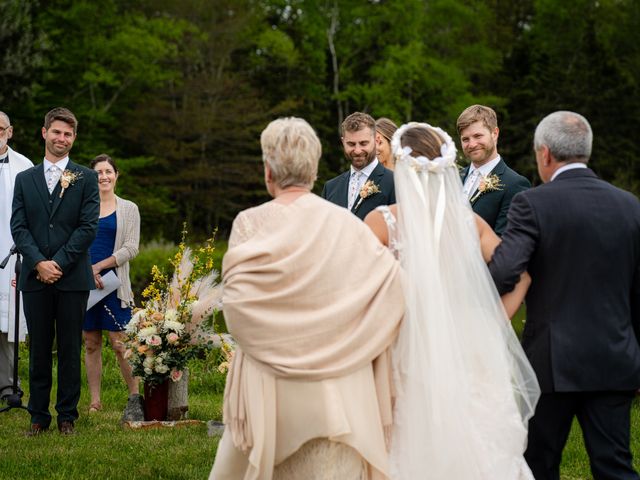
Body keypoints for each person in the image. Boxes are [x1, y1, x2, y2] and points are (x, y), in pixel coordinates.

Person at [210, 117, 404, 480]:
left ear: (268, 171)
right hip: (340, 391)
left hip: (271, 393)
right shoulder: (349, 225)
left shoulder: (249, 223)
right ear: (314, 171)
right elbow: (392, 292)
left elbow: (237, 313)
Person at [365, 122, 539, 479]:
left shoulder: (382, 222)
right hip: (468, 343)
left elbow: (358, 290)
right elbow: (521, 276)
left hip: (404, 347)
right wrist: (494, 323)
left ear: (400, 166)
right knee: (475, 439)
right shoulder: (468, 221)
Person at [489, 111, 640, 480]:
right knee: (615, 466)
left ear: (544, 154)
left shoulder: (533, 204)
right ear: (586, 150)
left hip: (550, 364)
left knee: (540, 465)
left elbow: (506, 271)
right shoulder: (630, 206)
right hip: (615, 359)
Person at [11, 107, 99, 435]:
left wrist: (58, 263)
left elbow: (87, 227)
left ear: (73, 139)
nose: (62, 139)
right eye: (57, 132)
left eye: (68, 134)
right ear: (44, 132)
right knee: (38, 349)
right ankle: (38, 415)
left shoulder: (86, 178)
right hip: (35, 276)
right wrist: (38, 263)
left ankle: (66, 416)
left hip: (72, 278)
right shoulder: (25, 180)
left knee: (68, 348)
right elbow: (19, 227)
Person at [82, 154, 142, 420]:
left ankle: (134, 398)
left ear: (116, 175)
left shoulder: (129, 208)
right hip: (84, 283)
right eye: (98, 172)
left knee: (120, 343)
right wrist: (87, 270)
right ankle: (95, 401)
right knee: (90, 342)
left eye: (108, 171)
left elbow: (131, 248)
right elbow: (74, 242)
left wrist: (99, 267)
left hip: (114, 284)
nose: (103, 177)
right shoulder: (82, 207)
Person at [457, 104, 531, 235]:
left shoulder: (515, 184)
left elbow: (505, 241)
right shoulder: (454, 177)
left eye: (478, 136)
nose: (472, 144)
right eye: (465, 139)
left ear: (495, 133)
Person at [0, 111, 33, 401]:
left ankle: (10, 385)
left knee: (7, 323)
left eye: (1, 127)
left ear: (10, 131)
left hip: (12, 255)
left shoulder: (25, 166)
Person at [321, 112, 395, 220]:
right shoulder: (330, 188)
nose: (357, 150)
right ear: (343, 142)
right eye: (351, 144)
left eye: (363, 143)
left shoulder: (394, 182)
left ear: (376, 140)